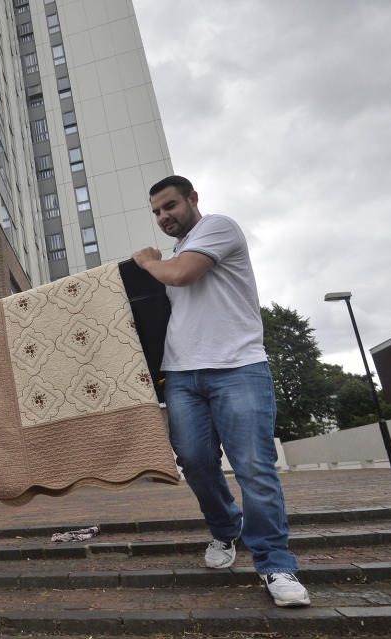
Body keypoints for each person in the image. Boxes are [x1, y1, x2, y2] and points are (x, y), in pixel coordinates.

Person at [131, 175, 310, 607]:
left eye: (170, 206)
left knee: (253, 466)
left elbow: (181, 274)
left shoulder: (217, 228)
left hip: (239, 367)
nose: (163, 216)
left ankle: (275, 563)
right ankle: (227, 528)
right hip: (181, 375)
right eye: (156, 211)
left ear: (193, 199)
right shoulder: (174, 254)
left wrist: (147, 262)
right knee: (193, 460)